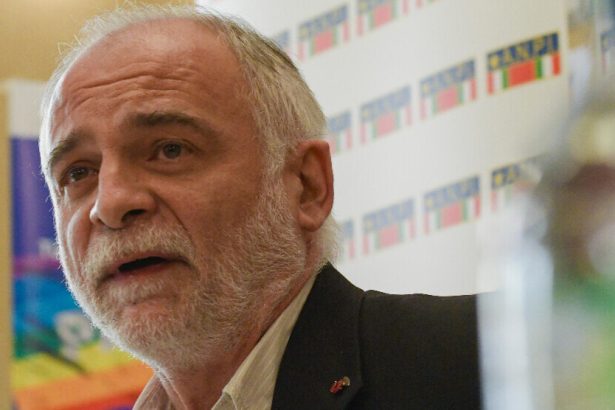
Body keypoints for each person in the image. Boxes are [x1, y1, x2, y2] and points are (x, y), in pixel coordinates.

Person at [38, 5, 481, 409]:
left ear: (306, 186)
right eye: (78, 173)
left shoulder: (482, 360)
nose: (110, 203)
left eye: (171, 149)